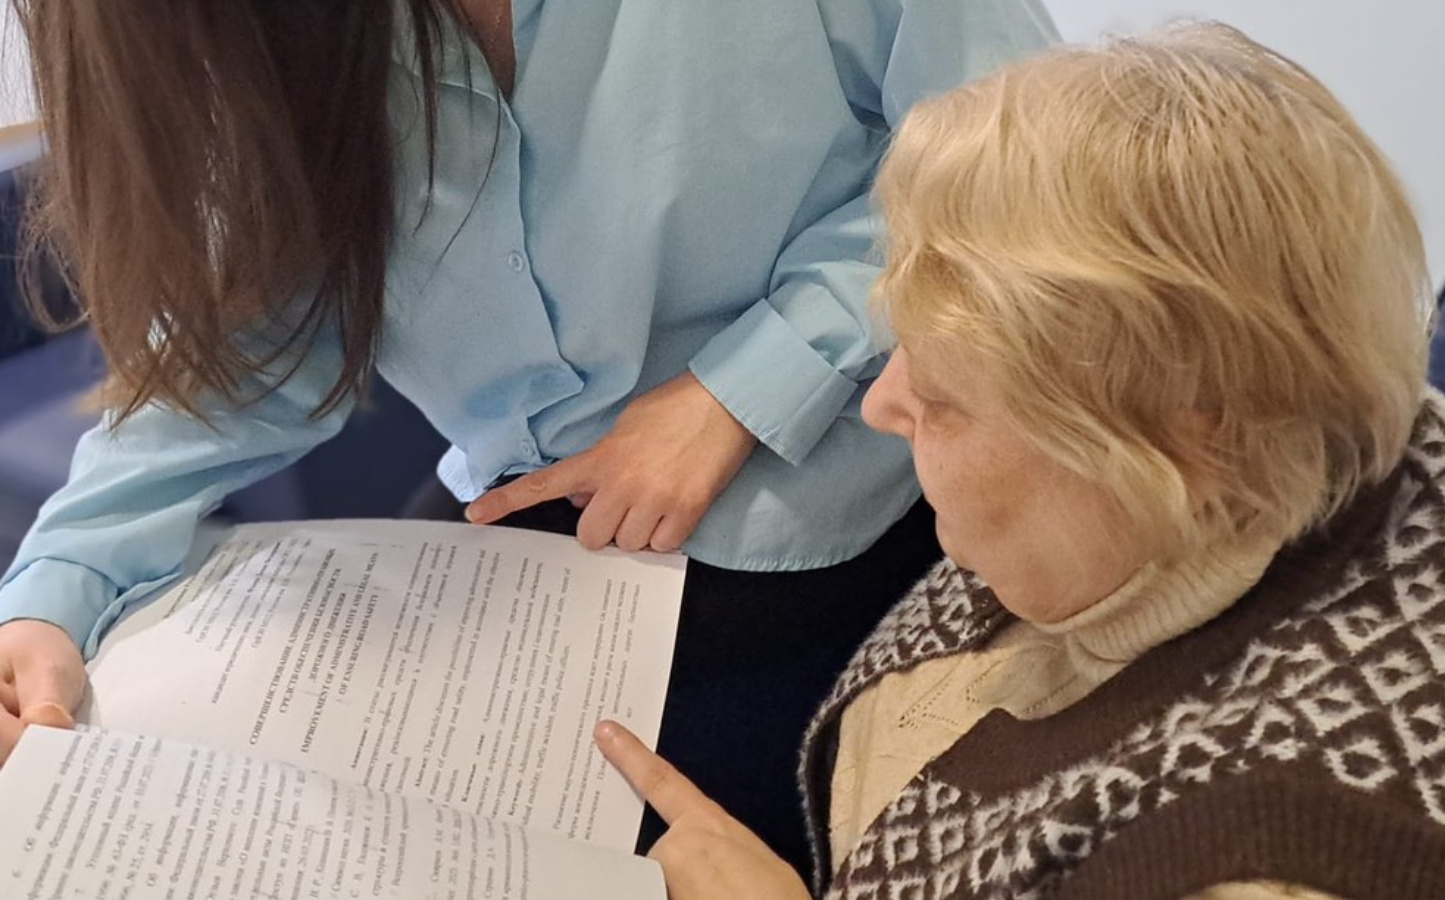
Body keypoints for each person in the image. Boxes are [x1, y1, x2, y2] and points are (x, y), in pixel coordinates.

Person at [0, 0, 1057, 869]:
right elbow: (247, 352)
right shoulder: (248, 33)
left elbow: (1020, 149)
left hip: (864, 511)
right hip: (524, 547)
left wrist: (742, 386)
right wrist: (55, 589)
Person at [592, 22, 1445, 900]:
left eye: (942, 399)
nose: (884, 404)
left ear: (1170, 449)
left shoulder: (1267, 857)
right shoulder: (1287, 381)